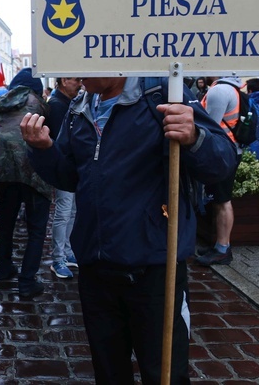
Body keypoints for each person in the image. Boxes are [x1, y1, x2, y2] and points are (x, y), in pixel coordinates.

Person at [20, 76, 237, 384]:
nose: (78, 73)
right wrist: (43, 150)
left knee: (163, 373)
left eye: (87, 63)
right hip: (96, 268)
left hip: (154, 268)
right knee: (109, 373)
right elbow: (71, 177)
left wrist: (194, 137)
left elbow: (222, 164)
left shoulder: (161, 92)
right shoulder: (80, 106)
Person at [0, 68, 51, 299]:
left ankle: (4, 269)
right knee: (36, 229)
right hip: (33, 171)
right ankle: (27, 282)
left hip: (3, 170)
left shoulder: (0, 101)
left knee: (5, 222)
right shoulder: (41, 104)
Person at [197, 76, 244, 266]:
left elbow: (210, 124)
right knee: (219, 199)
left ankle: (223, 249)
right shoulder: (234, 87)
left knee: (222, 200)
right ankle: (219, 245)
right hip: (230, 149)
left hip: (223, 152)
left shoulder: (218, 91)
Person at [45, 77, 81, 279]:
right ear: (64, 81)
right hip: (64, 166)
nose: (80, 83)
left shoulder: (65, 102)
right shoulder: (58, 105)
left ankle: (66, 252)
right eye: (75, 80)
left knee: (71, 211)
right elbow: (62, 140)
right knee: (64, 212)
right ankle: (57, 258)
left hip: (71, 166)